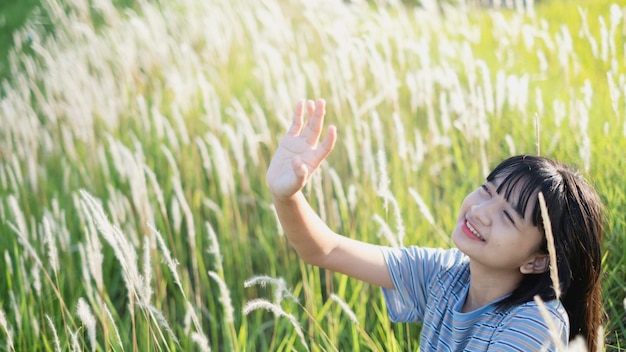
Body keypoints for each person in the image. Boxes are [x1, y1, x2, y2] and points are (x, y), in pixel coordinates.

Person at [266, 98, 604, 351]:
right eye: (487, 190)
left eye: (507, 216)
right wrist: (286, 196)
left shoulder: (536, 324)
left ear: (538, 260)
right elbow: (326, 250)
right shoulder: (445, 275)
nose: (482, 211)